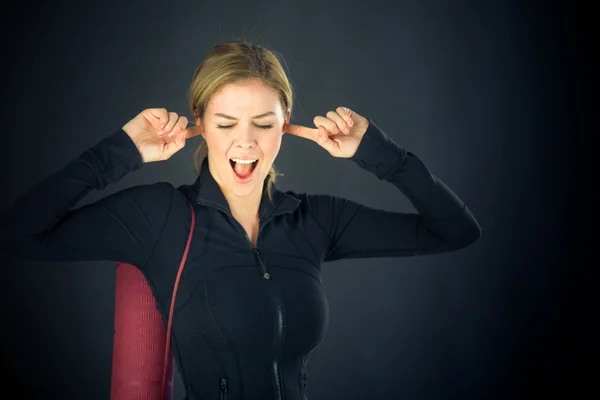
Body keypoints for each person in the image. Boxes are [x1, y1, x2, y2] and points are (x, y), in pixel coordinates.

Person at [0, 41, 482, 400]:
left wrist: (381, 155)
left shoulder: (315, 219)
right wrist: (119, 153)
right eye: (227, 123)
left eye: (265, 124)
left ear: (287, 121)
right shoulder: (158, 217)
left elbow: (455, 231)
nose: (246, 143)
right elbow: (19, 232)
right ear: (201, 122)